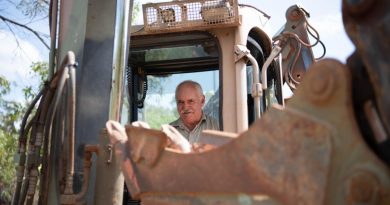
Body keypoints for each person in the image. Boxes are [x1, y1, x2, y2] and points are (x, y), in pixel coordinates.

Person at [170, 80, 219, 144]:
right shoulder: (168, 133)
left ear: (202, 100)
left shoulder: (216, 126)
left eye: (191, 101)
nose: (185, 107)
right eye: (181, 102)